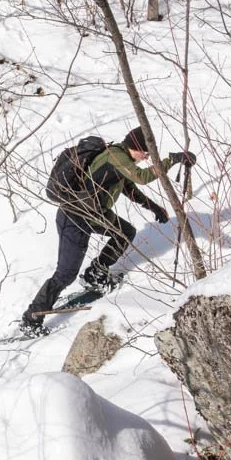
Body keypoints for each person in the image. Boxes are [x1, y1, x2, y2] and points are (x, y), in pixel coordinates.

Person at [20, 127, 195, 335]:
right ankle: (32, 318)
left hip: (94, 214)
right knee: (65, 274)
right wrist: (171, 160)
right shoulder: (116, 157)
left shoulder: (120, 159)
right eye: (145, 152)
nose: (146, 156)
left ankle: (96, 274)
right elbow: (141, 177)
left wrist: (153, 207)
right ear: (135, 147)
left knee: (125, 232)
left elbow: (130, 188)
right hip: (74, 217)